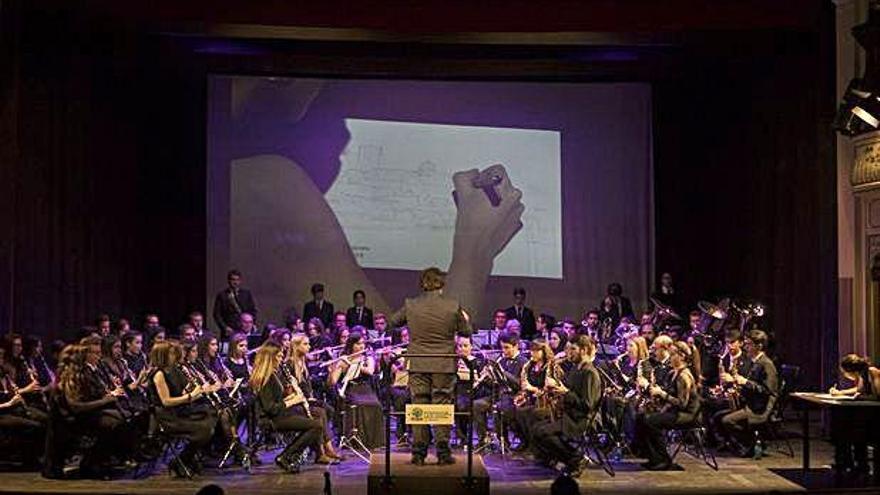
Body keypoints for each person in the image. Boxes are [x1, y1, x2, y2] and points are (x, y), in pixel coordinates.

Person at [389, 267, 471, 465]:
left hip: (418, 361)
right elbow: (466, 332)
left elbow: (393, 321)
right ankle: (443, 453)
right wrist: (464, 319)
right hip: (443, 362)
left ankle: (418, 453)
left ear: (423, 283)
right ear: (441, 283)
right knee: (442, 403)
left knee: (419, 404)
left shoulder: (411, 304)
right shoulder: (453, 305)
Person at [531, 335, 602, 476]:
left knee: (543, 432)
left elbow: (587, 405)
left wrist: (565, 392)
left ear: (584, 350)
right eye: (569, 349)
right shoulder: (576, 369)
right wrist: (556, 389)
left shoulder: (589, 373)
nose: (569, 353)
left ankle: (575, 458)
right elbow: (568, 391)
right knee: (536, 427)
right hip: (571, 415)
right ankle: (555, 458)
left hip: (583, 419)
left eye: (573, 349)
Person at [148, 340, 218, 477]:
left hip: (180, 411)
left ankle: (185, 460)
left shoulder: (175, 370)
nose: (175, 356)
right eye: (172, 354)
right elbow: (166, 401)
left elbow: (181, 392)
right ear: (163, 355)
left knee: (211, 416)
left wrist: (195, 391)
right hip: (168, 416)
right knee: (204, 429)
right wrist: (191, 396)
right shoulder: (159, 374)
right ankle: (182, 460)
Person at [636, 340, 700, 471]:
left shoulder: (684, 376)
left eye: (672, 355)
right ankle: (653, 457)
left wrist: (662, 394)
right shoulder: (674, 372)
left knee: (651, 421)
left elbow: (682, 404)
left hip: (688, 415)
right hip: (676, 411)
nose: (669, 358)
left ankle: (664, 460)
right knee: (641, 417)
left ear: (681, 356)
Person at [716, 329, 778, 457]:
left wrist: (745, 382)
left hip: (760, 408)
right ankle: (737, 443)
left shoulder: (766, 364)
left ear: (759, 346)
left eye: (749, 344)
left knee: (728, 420)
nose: (746, 347)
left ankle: (750, 442)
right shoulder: (754, 362)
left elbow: (767, 391)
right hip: (750, 403)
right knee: (717, 416)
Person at [328, 331, 385, 449]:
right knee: (358, 404)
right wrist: (335, 366)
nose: (361, 346)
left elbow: (370, 371)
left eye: (363, 344)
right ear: (351, 345)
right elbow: (333, 381)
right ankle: (357, 439)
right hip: (350, 388)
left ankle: (374, 441)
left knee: (376, 405)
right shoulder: (343, 359)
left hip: (365, 388)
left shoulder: (367, 358)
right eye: (358, 344)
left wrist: (353, 362)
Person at [828, 354, 880, 473]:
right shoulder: (862, 374)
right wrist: (840, 393)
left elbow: (878, 395)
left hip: (876, 414)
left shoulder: (872, 372)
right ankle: (848, 462)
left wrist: (862, 398)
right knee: (843, 424)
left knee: (855, 429)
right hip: (868, 412)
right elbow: (858, 390)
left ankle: (859, 463)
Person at [213, 269, 258, 345]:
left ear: (240, 281)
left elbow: (253, 310)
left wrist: (252, 324)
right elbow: (217, 314)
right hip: (230, 330)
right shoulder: (222, 295)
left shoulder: (246, 294)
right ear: (228, 281)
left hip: (244, 329)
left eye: (237, 280)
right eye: (233, 279)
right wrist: (225, 327)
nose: (235, 282)